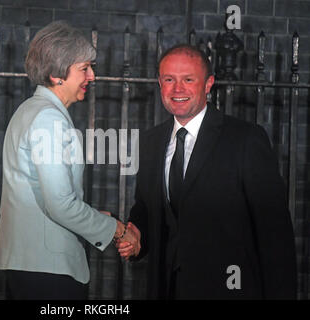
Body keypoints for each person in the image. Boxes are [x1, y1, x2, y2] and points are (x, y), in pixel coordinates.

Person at [117, 44, 297, 299]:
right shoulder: (149, 142)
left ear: (208, 83)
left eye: (188, 79)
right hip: (168, 289)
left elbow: (275, 233)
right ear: (160, 83)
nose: (177, 89)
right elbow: (146, 208)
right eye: (169, 80)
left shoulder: (245, 139)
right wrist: (137, 235)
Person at [0, 21, 138, 300]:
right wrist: (116, 229)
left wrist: (93, 217)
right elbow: (59, 205)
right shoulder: (49, 118)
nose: (92, 76)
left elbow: (46, 196)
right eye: (84, 68)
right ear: (57, 75)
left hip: (30, 264)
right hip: (48, 271)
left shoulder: (29, 110)